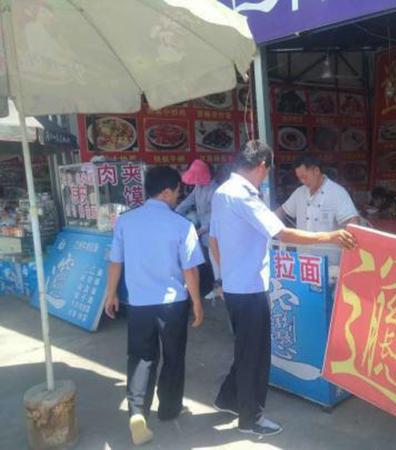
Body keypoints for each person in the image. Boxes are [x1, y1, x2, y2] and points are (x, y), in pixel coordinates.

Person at [209, 141, 356, 437]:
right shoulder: (244, 195)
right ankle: (251, 419)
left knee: (245, 348)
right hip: (251, 288)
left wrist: (226, 276)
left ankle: (228, 398)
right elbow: (281, 232)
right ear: (262, 166)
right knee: (256, 354)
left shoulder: (222, 192)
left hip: (236, 287)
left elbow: (213, 240)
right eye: (267, 171)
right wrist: (329, 236)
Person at [104, 166, 204, 446]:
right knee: (173, 356)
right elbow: (190, 270)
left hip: (139, 305)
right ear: (166, 192)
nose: (178, 196)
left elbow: (115, 262)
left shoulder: (126, 221)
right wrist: (197, 302)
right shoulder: (181, 225)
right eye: (178, 191)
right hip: (173, 305)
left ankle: (137, 413)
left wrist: (111, 294)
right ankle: (170, 408)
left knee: (140, 358)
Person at [275, 155, 359, 232]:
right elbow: (282, 211)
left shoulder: (337, 192)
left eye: (304, 177)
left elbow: (352, 221)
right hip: (303, 243)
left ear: (316, 171)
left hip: (328, 244)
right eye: (299, 178)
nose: (302, 181)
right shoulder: (299, 192)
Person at [176, 159, 219, 297]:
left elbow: (217, 216)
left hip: (214, 232)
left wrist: (201, 230)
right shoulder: (198, 187)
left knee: (216, 261)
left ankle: (218, 288)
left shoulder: (215, 190)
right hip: (203, 232)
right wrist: (173, 214)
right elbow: (187, 202)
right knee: (207, 261)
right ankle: (211, 287)